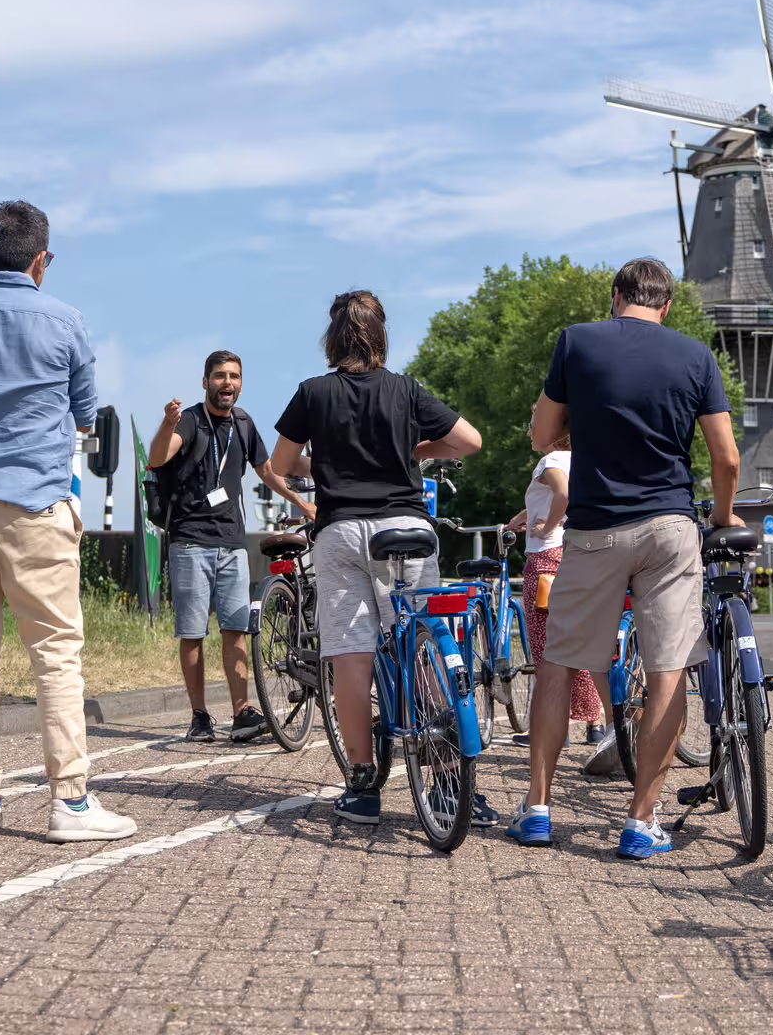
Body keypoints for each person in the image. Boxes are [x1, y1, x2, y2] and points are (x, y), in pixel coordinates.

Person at [507, 257, 742, 859]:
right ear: (666, 306)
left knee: (558, 663)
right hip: (668, 528)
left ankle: (536, 809)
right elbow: (727, 458)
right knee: (666, 670)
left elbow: (541, 434)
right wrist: (720, 516)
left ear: (615, 297)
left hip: (594, 530)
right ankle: (641, 822)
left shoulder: (576, 343)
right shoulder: (697, 357)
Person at [0, 200, 134, 844]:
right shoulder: (66, 319)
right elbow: (86, 411)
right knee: (55, 654)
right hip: (35, 501)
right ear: (41, 260)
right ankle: (69, 802)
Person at [268, 290, 491, 826]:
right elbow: (471, 442)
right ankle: (445, 783)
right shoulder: (407, 390)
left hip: (341, 532)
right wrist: (418, 450)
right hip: (407, 528)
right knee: (423, 645)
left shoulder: (313, 393)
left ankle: (365, 785)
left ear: (333, 338)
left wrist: (322, 461)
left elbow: (280, 464)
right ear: (381, 334)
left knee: (351, 657)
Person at [148, 349, 315, 743]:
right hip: (190, 542)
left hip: (232, 543)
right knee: (192, 633)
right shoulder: (188, 420)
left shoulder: (243, 423)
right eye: (220, 376)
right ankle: (200, 715)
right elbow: (158, 458)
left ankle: (242, 713)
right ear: (205, 381)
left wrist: (303, 502)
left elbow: (267, 471)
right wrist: (167, 424)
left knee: (237, 629)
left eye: (235, 376)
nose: (228, 383)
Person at [507, 430, 620, 774]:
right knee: (584, 643)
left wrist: (547, 527)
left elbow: (563, 494)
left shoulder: (550, 461)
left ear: (552, 431)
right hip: (579, 554)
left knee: (546, 647)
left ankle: (551, 729)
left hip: (545, 560)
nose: (528, 429)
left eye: (532, 421)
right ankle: (607, 725)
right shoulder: (585, 460)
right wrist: (523, 517)